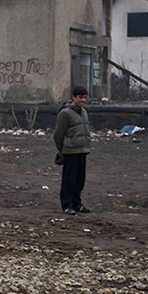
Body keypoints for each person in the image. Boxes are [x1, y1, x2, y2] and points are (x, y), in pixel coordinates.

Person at [53, 85, 92, 215]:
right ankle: (67, 205)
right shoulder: (65, 113)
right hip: (70, 151)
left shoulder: (84, 112)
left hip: (82, 150)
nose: (83, 100)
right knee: (69, 179)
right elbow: (58, 134)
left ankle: (77, 203)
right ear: (73, 97)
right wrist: (62, 150)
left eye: (85, 97)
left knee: (80, 179)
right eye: (80, 97)